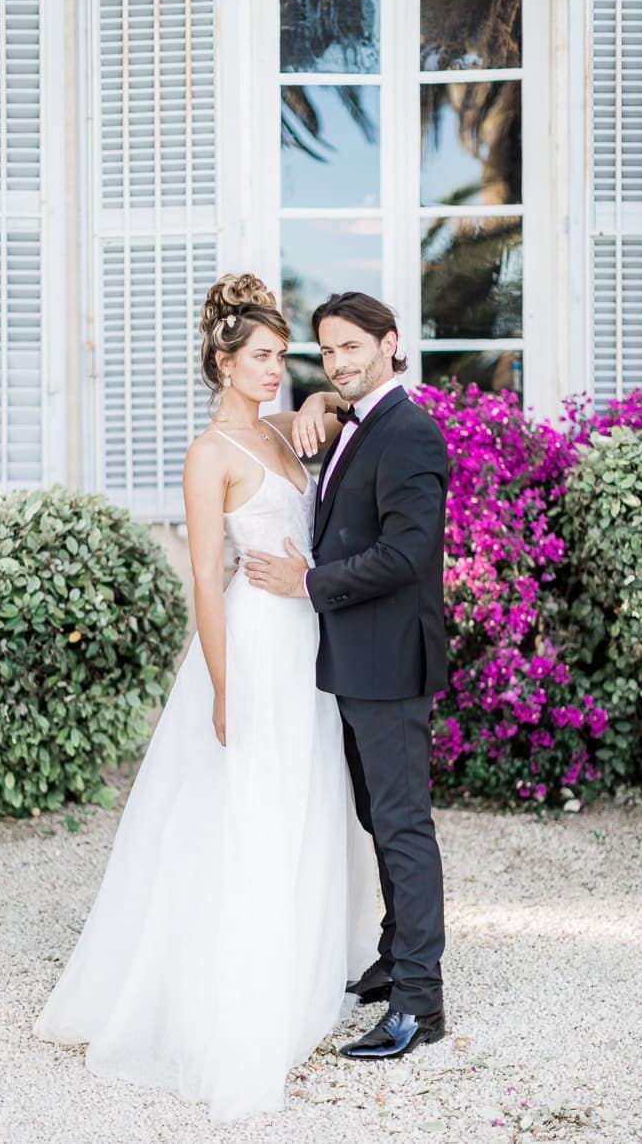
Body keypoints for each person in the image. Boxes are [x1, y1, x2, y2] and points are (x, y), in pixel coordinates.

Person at [32, 273, 382, 1121]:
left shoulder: (281, 428)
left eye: (282, 357)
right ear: (224, 364)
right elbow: (203, 579)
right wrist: (224, 687)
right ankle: (237, 987)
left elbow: (342, 423)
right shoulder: (209, 455)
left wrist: (320, 411)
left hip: (309, 644)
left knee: (307, 802)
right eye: (262, 357)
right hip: (254, 645)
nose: (277, 369)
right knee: (247, 812)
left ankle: (306, 967)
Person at [241, 291, 449, 1061]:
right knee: (377, 817)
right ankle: (397, 957)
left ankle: (420, 1004)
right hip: (356, 660)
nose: (339, 362)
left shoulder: (411, 434)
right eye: (327, 352)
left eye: (352, 347)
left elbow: (405, 554)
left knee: (402, 826)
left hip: (390, 660)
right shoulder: (359, 421)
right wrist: (326, 398)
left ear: (390, 343)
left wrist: (309, 584)